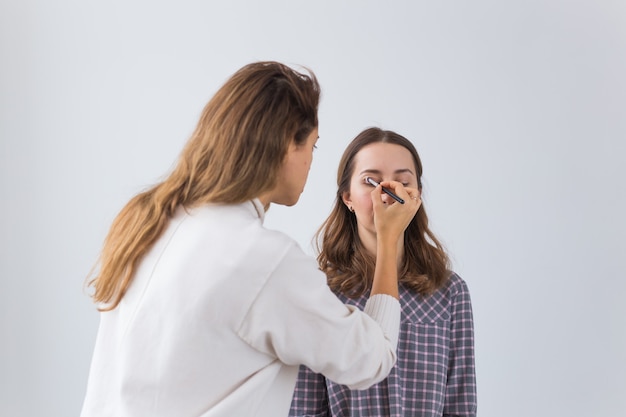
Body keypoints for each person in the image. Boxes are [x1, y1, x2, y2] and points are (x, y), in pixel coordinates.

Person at [80, 62, 421, 417]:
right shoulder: (265, 260)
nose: (310, 163)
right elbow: (372, 358)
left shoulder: (146, 220)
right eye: (313, 147)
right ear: (289, 145)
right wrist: (389, 239)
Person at [290, 127, 477, 417]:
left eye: (403, 181)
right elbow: (306, 409)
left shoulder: (450, 292)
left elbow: (459, 406)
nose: (388, 193)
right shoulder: (317, 292)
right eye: (370, 181)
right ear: (347, 197)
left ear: (417, 198)